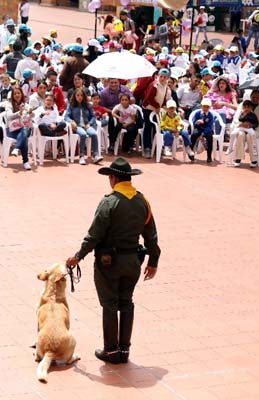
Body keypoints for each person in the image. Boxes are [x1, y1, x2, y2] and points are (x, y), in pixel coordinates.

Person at [66, 157, 160, 365]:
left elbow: (94, 235)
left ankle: (110, 351)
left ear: (114, 178)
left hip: (109, 263)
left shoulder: (109, 202)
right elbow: (151, 235)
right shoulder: (142, 201)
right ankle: (124, 350)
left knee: (109, 305)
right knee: (126, 303)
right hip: (133, 262)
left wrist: (78, 256)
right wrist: (153, 261)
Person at [65, 88, 103, 165]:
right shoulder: (71, 105)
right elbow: (66, 117)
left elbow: (93, 116)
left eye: (81, 95)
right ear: (75, 96)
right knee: (82, 134)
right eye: (78, 95)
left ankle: (96, 155)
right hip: (77, 126)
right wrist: (71, 122)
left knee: (94, 134)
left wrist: (89, 123)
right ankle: (81, 156)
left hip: (86, 125)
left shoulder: (88, 105)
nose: (80, 97)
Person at [4, 86, 32, 170]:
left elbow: (32, 117)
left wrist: (30, 113)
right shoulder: (9, 105)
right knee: (24, 138)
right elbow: (9, 117)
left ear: (22, 94)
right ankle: (26, 161)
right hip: (12, 130)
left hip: (24, 128)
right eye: (15, 93)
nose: (17, 95)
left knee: (24, 130)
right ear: (12, 95)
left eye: (18, 93)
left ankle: (16, 148)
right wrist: (19, 112)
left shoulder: (26, 105)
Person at [230, 100, 259, 167]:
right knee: (240, 135)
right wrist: (244, 116)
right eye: (245, 107)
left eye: (248, 107)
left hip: (250, 129)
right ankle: (238, 158)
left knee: (251, 137)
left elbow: (256, 123)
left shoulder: (253, 115)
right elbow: (240, 120)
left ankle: (254, 159)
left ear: (251, 107)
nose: (246, 109)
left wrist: (251, 125)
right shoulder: (242, 113)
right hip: (242, 129)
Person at [190, 98, 216, 163]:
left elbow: (210, 126)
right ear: (201, 106)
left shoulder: (210, 115)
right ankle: (191, 152)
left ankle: (209, 156)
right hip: (199, 128)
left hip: (206, 130)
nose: (205, 108)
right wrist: (197, 122)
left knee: (210, 138)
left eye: (207, 107)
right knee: (194, 135)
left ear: (209, 107)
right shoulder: (198, 113)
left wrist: (203, 134)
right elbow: (193, 123)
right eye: (204, 106)